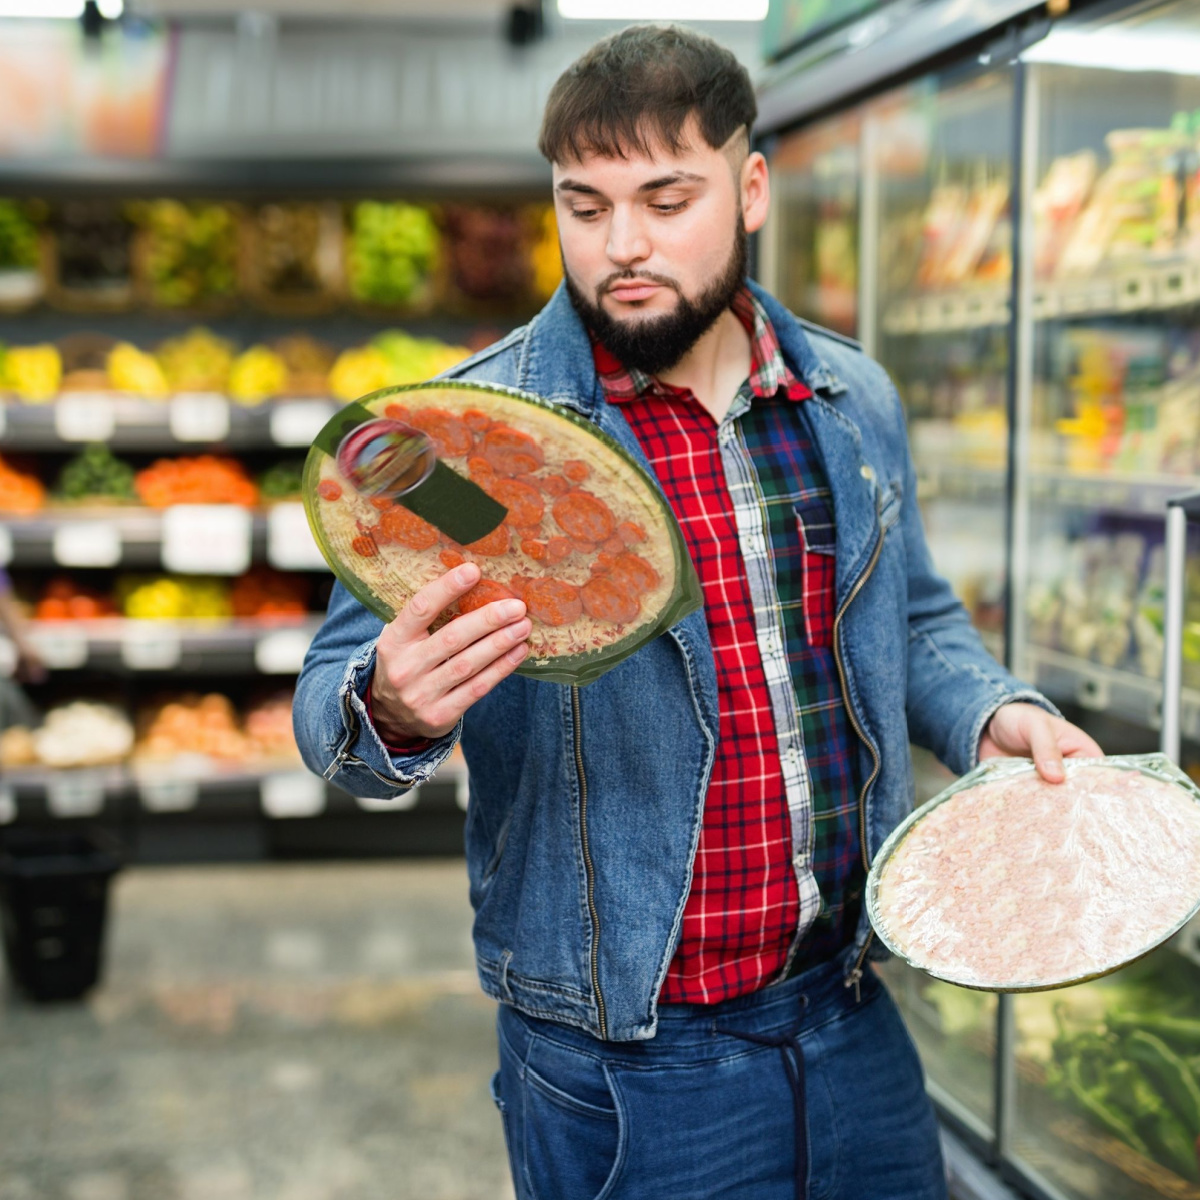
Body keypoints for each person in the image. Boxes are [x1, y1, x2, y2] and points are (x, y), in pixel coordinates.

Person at [295, 25, 1102, 1200]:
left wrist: (995, 716)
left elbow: (917, 622)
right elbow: (333, 713)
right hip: (626, 1061)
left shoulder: (843, 397)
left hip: (853, 1015)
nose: (623, 245)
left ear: (751, 187)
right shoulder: (469, 444)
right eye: (585, 205)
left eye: (667, 198)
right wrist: (392, 708)